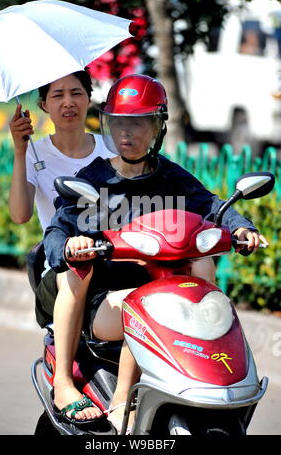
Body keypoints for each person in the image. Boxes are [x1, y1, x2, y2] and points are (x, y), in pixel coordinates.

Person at [43, 74, 268, 432]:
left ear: (158, 126)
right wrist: (68, 244)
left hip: (166, 293)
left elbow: (213, 207)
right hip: (109, 304)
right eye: (117, 124)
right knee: (79, 271)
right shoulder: (94, 182)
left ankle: (214, 373)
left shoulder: (174, 180)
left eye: (137, 123)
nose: (125, 134)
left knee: (202, 260)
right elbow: (59, 226)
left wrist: (242, 229)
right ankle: (76, 389)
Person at [8, 69, 114, 421]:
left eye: (76, 92)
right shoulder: (36, 154)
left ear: (89, 98)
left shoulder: (110, 150)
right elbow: (21, 215)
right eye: (57, 95)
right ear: (43, 106)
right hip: (65, 264)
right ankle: (65, 383)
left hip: (116, 259)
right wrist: (20, 152)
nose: (68, 102)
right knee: (77, 273)